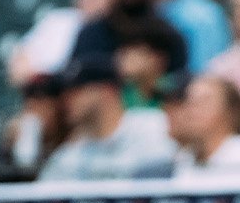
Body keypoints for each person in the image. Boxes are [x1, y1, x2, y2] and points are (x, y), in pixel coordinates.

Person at [38, 55, 177, 181]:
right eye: (65, 92)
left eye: (77, 90)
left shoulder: (155, 127)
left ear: (107, 91)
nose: (66, 99)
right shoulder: (69, 156)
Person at [167, 75, 240, 180]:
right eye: (189, 101)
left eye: (203, 101)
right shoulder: (185, 157)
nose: (192, 110)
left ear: (229, 112)